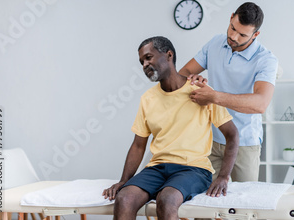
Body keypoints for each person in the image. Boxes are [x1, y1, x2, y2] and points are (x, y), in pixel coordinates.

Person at [103, 36, 239, 220]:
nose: (144, 64)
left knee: (166, 199)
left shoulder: (200, 90)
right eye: (142, 61)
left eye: (149, 57)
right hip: (157, 168)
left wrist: (223, 177)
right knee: (124, 198)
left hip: (193, 169)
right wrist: (123, 181)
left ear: (168, 55)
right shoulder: (148, 99)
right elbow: (138, 145)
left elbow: (232, 134)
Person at [179, 2, 278, 182]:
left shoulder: (266, 60)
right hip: (211, 138)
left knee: (244, 204)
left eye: (242, 34)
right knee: (205, 198)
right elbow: (183, 74)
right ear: (231, 17)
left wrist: (213, 97)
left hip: (244, 143)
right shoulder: (215, 43)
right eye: (233, 28)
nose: (233, 36)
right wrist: (195, 81)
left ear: (256, 34)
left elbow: (260, 104)